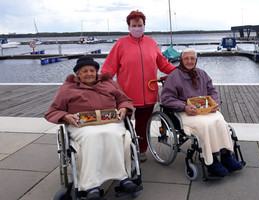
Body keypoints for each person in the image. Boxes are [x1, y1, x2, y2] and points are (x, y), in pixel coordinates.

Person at [45, 56, 139, 200]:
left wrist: (124, 108)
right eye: (84, 71)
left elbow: (124, 100)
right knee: (92, 137)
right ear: (78, 74)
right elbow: (53, 111)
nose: (89, 73)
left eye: (92, 70)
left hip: (110, 122)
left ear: (96, 72)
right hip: (82, 125)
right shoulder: (68, 88)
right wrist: (65, 116)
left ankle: (122, 177)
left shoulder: (108, 83)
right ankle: (91, 186)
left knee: (114, 135)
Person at [101, 10, 176, 162]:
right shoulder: (120, 44)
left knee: (142, 125)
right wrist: (101, 81)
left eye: (140, 25)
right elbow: (109, 67)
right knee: (123, 125)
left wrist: (180, 72)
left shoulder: (151, 43)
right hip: (126, 95)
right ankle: (125, 148)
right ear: (128, 26)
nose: (137, 28)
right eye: (134, 25)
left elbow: (163, 64)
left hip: (149, 92)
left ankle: (141, 150)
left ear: (144, 26)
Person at [161, 47, 243, 176]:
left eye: (192, 58)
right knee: (205, 125)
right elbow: (166, 99)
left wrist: (215, 103)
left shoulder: (202, 73)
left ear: (196, 60)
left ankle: (226, 155)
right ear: (181, 60)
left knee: (220, 121)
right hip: (186, 112)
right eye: (186, 58)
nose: (189, 61)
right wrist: (184, 106)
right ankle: (211, 161)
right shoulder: (174, 76)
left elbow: (212, 91)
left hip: (205, 110)